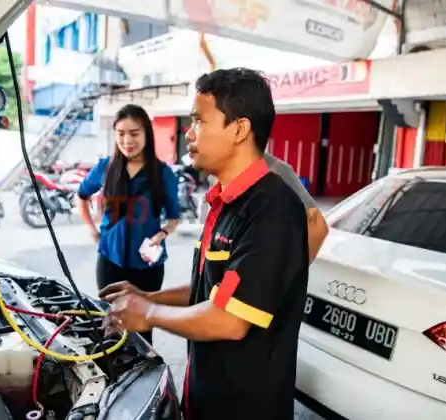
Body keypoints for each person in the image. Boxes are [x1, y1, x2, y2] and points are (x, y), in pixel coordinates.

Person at [100, 68, 310, 420]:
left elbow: (230, 319)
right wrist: (148, 296)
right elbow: (213, 289)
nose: (190, 133)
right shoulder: (225, 202)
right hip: (205, 395)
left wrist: (149, 314)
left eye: (199, 122)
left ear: (239, 129)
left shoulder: (272, 208)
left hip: (244, 408)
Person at [76, 104, 181, 345]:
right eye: (121, 134)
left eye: (134, 133)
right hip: (110, 261)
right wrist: (92, 231)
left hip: (148, 266)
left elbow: (174, 218)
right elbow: (81, 196)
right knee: (111, 324)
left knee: (143, 328)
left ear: (146, 133)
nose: (127, 140)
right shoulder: (105, 167)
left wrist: (161, 234)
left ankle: (144, 375)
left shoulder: (163, 174)